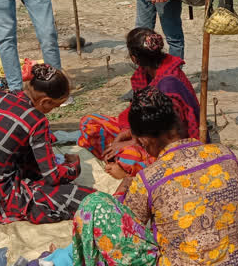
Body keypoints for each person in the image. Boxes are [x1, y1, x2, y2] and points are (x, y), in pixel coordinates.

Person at [72, 87, 238, 266]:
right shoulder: (225, 154)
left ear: (144, 141)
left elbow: (130, 231)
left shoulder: (148, 178)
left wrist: (125, 186)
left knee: (93, 204)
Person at [0, 64, 93, 224]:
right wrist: (73, 167)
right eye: (54, 106)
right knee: (84, 198)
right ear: (45, 102)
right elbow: (52, 177)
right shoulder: (36, 120)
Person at [78, 28, 200, 179]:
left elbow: (169, 134)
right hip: (144, 132)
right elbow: (141, 115)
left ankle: (126, 169)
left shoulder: (169, 86)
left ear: (134, 58)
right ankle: (119, 159)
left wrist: (133, 142)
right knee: (89, 123)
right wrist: (129, 133)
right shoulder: (144, 75)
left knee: (127, 158)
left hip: (162, 143)